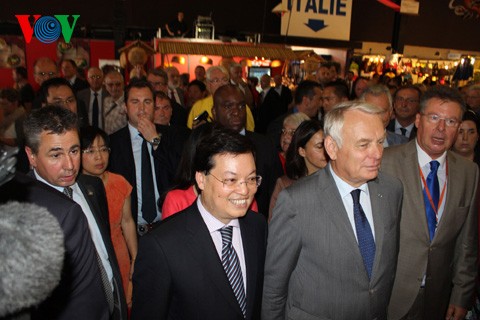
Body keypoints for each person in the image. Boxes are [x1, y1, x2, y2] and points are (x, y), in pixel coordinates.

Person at [263, 101, 403, 319]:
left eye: (380, 142)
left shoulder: (392, 190)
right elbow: (274, 285)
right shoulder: (296, 202)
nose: (377, 153)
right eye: (363, 144)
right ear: (332, 147)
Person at [131, 127, 267, 319]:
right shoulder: (161, 245)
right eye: (231, 180)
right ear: (201, 179)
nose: (244, 191)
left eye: (251, 179)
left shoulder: (257, 226)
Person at [382, 85, 478, 320]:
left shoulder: (469, 172)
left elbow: (467, 243)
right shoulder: (385, 163)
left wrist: (461, 294)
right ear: (418, 119)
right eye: (434, 118)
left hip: (439, 298)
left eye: (451, 121)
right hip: (391, 296)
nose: (441, 129)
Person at [23, 106, 128, 319]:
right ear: (31, 156)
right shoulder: (23, 209)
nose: (70, 165)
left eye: (74, 150)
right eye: (56, 155)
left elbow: (104, 251)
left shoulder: (93, 186)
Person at [108, 80, 189, 236]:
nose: (142, 109)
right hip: (130, 232)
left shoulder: (175, 136)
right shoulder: (113, 143)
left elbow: (183, 175)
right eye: (135, 102)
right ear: (125, 107)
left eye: (147, 102)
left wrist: (155, 140)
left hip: (169, 227)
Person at [80, 126, 138, 308]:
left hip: (119, 253)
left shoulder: (119, 182)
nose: (99, 157)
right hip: (91, 259)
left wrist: (135, 259)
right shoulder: (75, 188)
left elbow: (127, 222)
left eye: (103, 149)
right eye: (90, 151)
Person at [212, 84, 283, 217]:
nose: (236, 112)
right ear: (214, 112)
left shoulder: (265, 144)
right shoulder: (206, 146)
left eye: (241, 106)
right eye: (228, 106)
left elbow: (276, 190)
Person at [269, 119, 327, 220]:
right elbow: (277, 229)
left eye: (327, 145)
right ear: (302, 151)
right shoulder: (285, 185)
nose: (326, 151)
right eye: (319, 146)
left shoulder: (336, 180)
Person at [187, 65, 255, 131]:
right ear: (208, 85)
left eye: (224, 80)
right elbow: (190, 132)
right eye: (216, 80)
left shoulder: (240, 105)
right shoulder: (198, 107)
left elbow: (250, 130)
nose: (221, 84)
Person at [266, 80, 323, 151]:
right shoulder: (278, 125)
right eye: (319, 99)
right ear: (306, 101)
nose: (321, 104)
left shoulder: (315, 124)